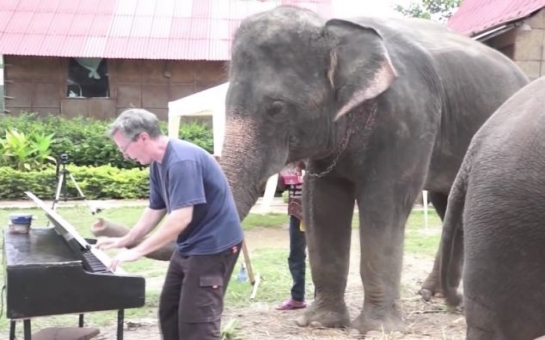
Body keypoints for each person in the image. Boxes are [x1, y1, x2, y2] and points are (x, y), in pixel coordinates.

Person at [95, 108, 244, 340]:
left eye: (124, 148)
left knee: (197, 325)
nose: (124, 155)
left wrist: (137, 252)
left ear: (143, 137)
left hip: (213, 248)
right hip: (189, 246)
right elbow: (155, 209)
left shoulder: (182, 161)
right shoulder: (157, 162)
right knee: (170, 314)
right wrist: (126, 240)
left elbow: (180, 219)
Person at [277, 161, 307, 310]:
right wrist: (280, 172)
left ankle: (323, 298)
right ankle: (297, 298)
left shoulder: (322, 160)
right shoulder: (293, 162)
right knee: (296, 256)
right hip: (297, 214)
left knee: (322, 257)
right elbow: (281, 187)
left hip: (320, 215)